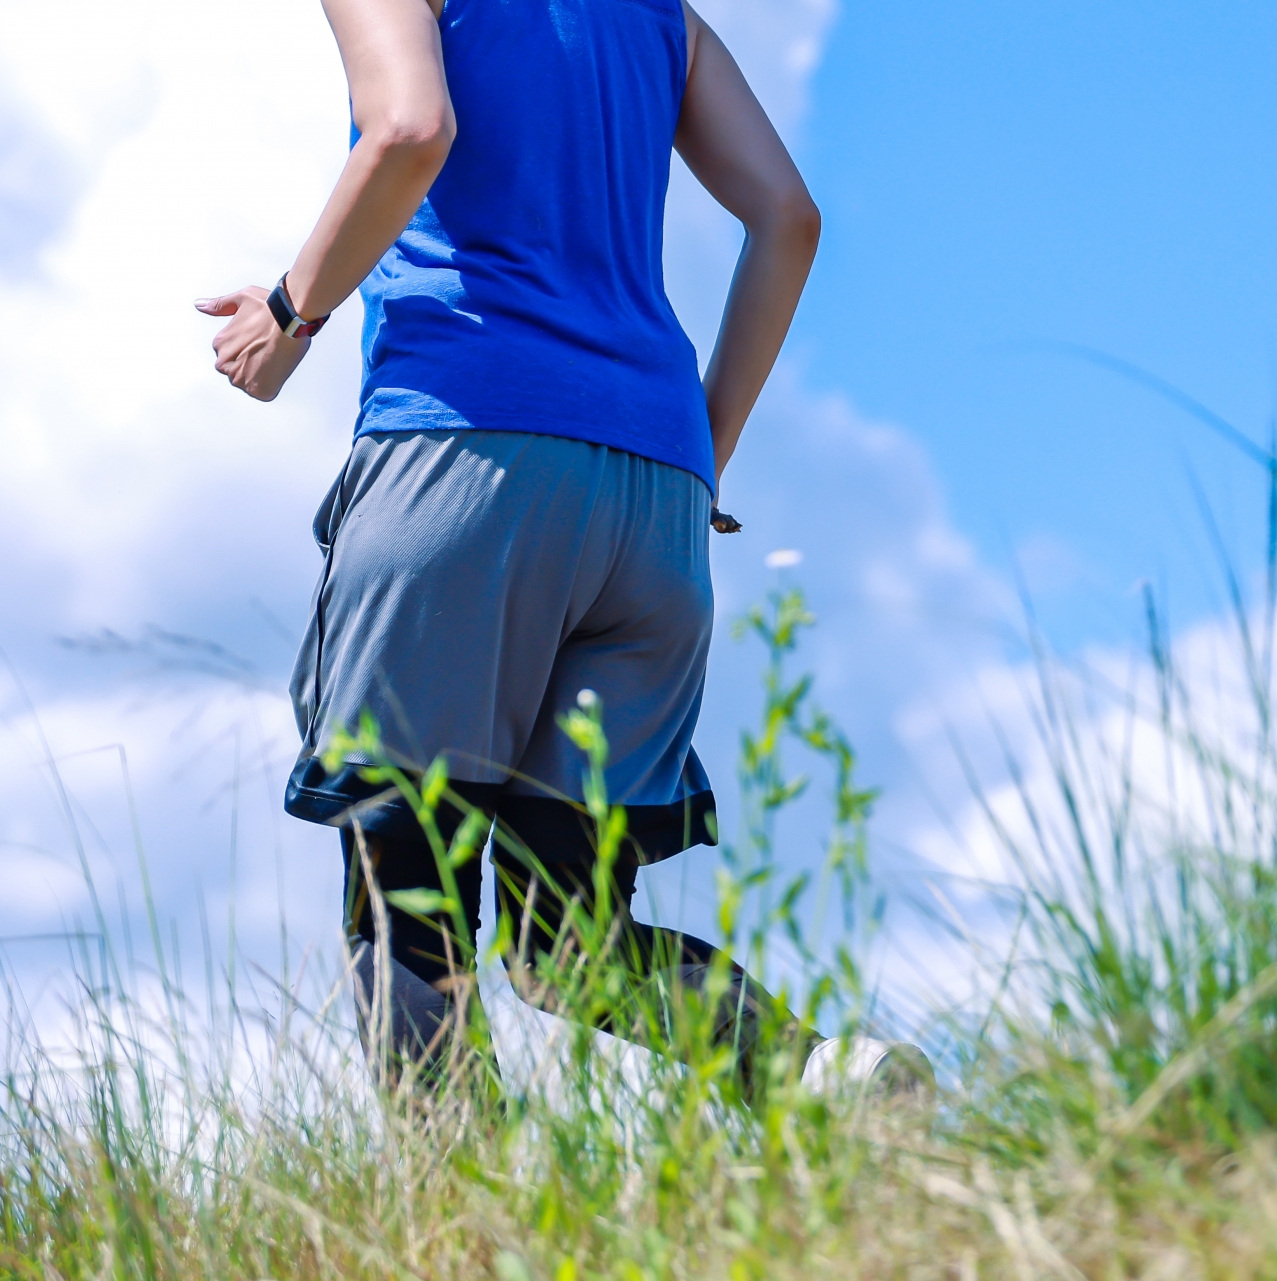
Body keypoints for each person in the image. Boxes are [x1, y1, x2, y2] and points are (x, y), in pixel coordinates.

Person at [197, 0, 927, 1100]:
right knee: (567, 941)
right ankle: (820, 1077)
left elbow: (409, 130)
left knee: (410, 886)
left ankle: (455, 1238)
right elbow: (788, 216)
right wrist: (698, 459)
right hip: (655, 495)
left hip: (462, 456)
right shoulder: (660, 16)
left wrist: (291, 312)